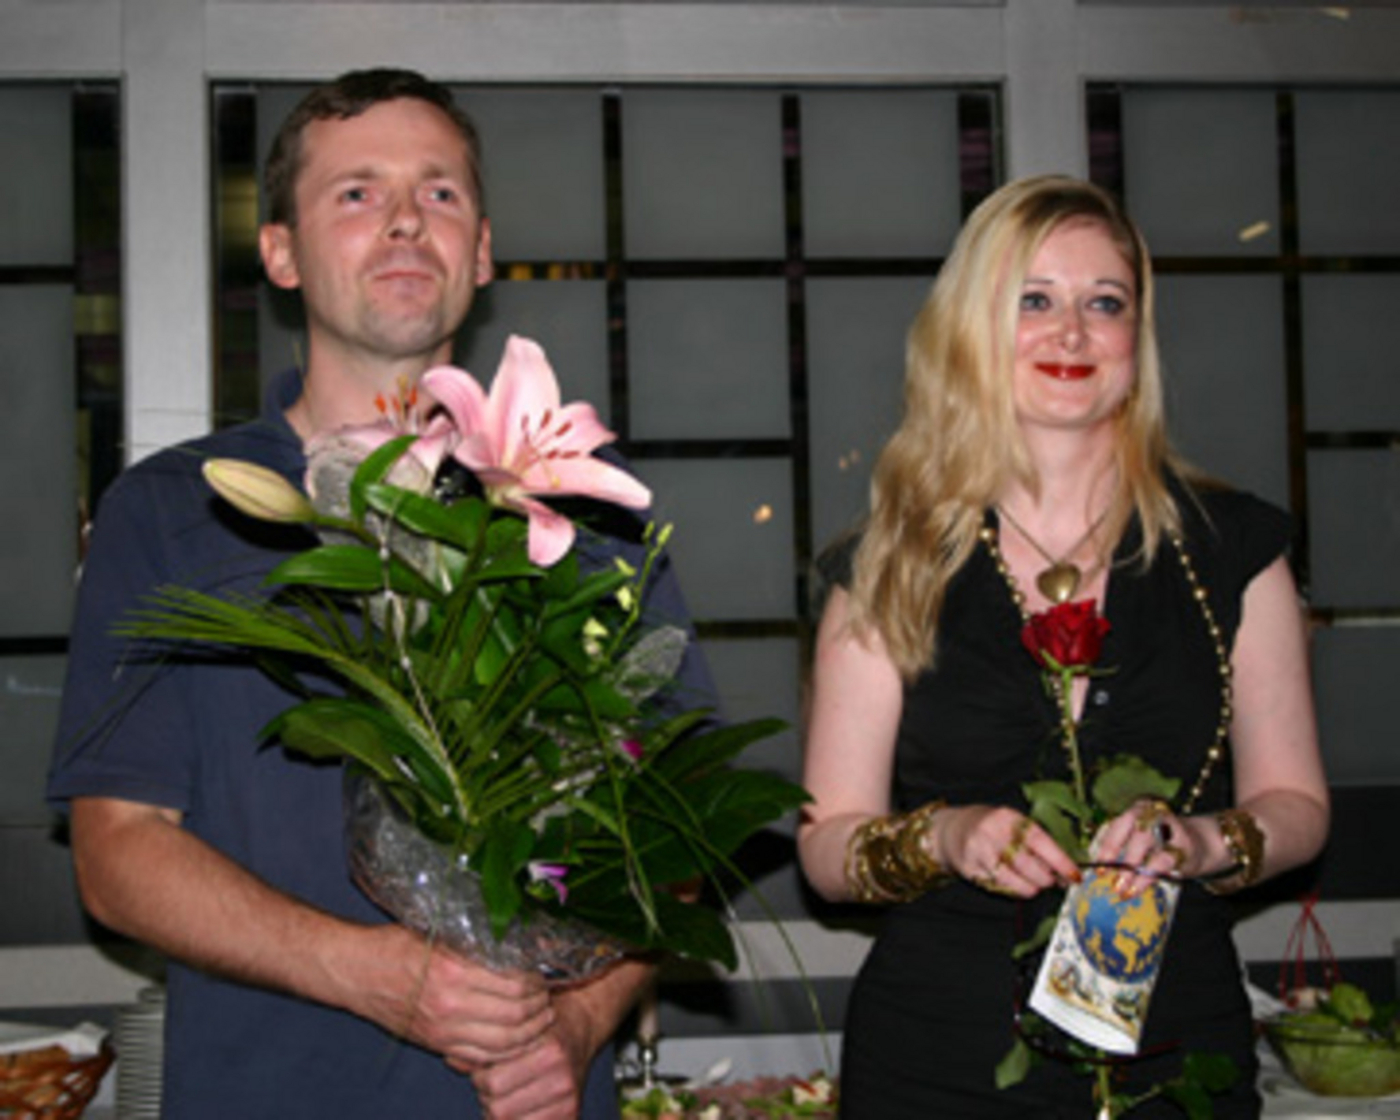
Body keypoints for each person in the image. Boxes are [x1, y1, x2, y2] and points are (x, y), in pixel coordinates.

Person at [49, 69, 713, 1120]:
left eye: (438, 192)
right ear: (280, 253)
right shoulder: (174, 514)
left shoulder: (581, 507)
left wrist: (577, 1025)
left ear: (480, 250)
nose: (406, 219)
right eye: (357, 192)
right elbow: (118, 852)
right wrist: (372, 975)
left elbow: (678, 831)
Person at [798, 175, 1329, 1117]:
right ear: (972, 329)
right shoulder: (890, 564)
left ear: (1137, 336)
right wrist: (944, 836)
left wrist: (1200, 841)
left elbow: (1298, 805)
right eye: (1034, 301)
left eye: (1105, 303)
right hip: (939, 1060)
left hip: (1178, 1053)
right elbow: (827, 845)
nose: (1073, 333)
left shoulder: (1233, 551)